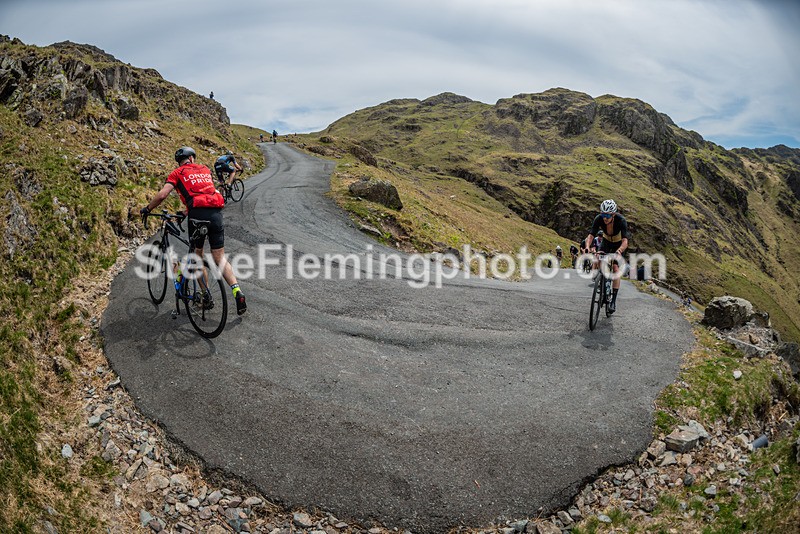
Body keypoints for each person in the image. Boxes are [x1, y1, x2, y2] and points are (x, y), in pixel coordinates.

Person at [141, 146, 247, 315]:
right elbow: (204, 194)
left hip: (197, 215)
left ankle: (205, 296)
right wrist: (185, 212)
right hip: (216, 214)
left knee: (197, 255)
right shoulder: (204, 169)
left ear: (180, 161)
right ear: (191, 158)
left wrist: (147, 209)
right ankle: (237, 291)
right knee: (219, 257)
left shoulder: (177, 173)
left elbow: (162, 195)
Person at [584, 199, 630, 314]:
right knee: (599, 258)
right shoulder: (599, 219)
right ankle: (602, 280)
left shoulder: (621, 220)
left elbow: (625, 241)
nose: (605, 218)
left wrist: (619, 251)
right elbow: (591, 235)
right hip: (606, 242)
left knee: (615, 269)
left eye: (608, 215)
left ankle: (613, 300)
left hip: (618, 245)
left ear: (613, 214)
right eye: (603, 214)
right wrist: (587, 247)